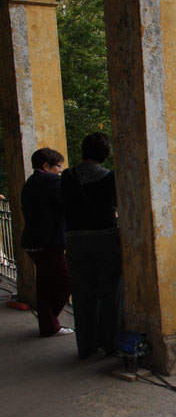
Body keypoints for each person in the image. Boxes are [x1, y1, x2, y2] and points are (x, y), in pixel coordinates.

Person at [61, 132, 123, 358]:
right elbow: (119, 203)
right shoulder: (109, 177)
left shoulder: (67, 176)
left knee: (82, 293)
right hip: (105, 238)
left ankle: (86, 346)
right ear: (105, 153)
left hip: (76, 239)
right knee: (109, 293)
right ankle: (110, 344)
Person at [20, 148, 72, 337]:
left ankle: (48, 325)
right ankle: (51, 323)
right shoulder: (51, 181)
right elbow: (67, 203)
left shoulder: (31, 182)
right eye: (58, 166)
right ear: (46, 165)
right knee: (66, 281)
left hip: (33, 241)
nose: (60, 170)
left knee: (44, 285)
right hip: (48, 243)